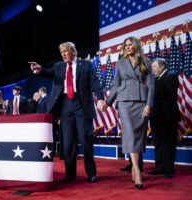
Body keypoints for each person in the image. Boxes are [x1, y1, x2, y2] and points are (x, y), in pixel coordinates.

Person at [29, 42, 105, 183]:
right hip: (65, 105)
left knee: (85, 139)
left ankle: (91, 173)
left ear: (73, 52)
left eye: (66, 51)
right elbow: (48, 73)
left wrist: (100, 99)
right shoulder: (59, 66)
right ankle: (70, 174)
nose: (63, 54)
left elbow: (95, 83)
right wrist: (40, 70)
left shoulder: (86, 65)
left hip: (82, 105)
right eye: (61, 52)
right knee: (68, 142)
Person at [103, 36, 154, 189]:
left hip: (141, 101)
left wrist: (149, 105)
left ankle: (134, 166)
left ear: (136, 46)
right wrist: (109, 102)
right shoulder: (120, 63)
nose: (127, 47)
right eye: (125, 45)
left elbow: (151, 86)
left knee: (139, 135)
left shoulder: (146, 63)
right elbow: (116, 84)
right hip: (124, 102)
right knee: (130, 134)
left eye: (130, 45)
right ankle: (137, 169)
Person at [147, 58, 180, 178]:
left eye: (154, 67)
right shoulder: (154, 79)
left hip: (168, 116)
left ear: (162, 66)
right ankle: (159, 167)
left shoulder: (172, 76)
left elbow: (168, 93)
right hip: (155, 116)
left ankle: (169, 169)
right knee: (158, 143)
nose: (153, 69)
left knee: (168, 143)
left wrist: (150, 94)